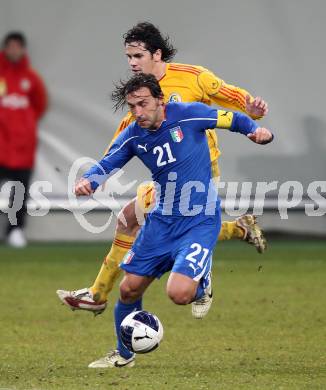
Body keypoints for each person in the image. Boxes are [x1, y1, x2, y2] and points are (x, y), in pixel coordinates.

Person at [57, 22, 268, 313]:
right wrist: (97, 176)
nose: (132, 63)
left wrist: (250, 108)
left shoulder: (192, 77)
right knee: (131, 219)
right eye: (128, 57)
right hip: (164, 176)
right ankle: (238, 230)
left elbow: (229, 97)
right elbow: (126, 136)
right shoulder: (139, 97)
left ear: (156, 54)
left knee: (135, 219)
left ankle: (100, 294)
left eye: (138, 56)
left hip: (199, 171)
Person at [73, 73, 273, 368]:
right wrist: (90, 181)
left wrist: (255, 131)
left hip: (199, 220)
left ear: (159, 100)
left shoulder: (188, 115)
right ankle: (124, 355)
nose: (138, 112)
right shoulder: (133, 134)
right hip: (161, 223)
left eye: (143, 104)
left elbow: (231, 118)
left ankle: (201, 284)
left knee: (179, 294)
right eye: (132, 107)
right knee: (129, 289)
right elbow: (106, 163)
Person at [0, 32, 47, 247]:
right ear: (5, 49)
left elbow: (40, 105)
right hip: (1, 145)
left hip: (23, 148)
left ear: (23, 49)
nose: (13, 50)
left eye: (17, 46)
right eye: (10, 46)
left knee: (19, 193)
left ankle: (15, 230)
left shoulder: (31, 78)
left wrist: (24, 125)